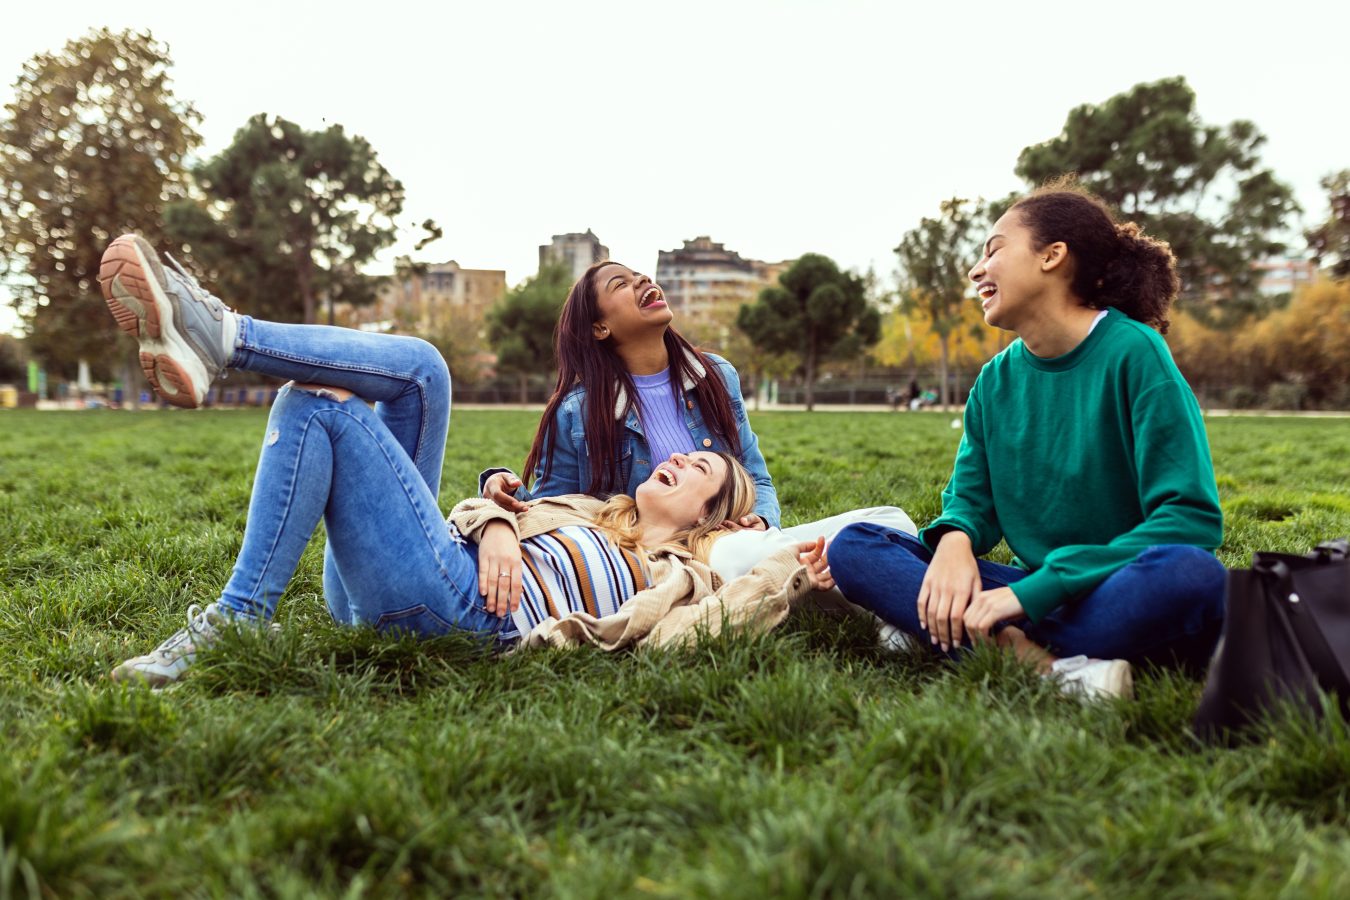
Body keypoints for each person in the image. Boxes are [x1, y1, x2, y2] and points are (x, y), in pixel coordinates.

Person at [96, 235, 833, 686]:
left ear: (710, 507)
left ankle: (238, 610)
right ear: (602, 326)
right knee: (419, 368)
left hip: (458, 608)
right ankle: (221, 335)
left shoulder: (685, 571)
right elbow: (532, 501)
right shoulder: (597, 488)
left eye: (700, 468)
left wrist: (764, 541)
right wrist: (500, 518)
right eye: (619, 279)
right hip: (443, 571)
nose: (678, 461)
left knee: (317, 404)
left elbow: (752, 514)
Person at [828, 180, 1227, 699]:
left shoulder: (1135, 352)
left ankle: (957, 636)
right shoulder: (994, 380)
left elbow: (1189, 519)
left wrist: (1038, 590)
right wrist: (954, 543)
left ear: (1052, 256)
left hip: (1114, 587)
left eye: (994, 249)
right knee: (856, 546)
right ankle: (1050, 669)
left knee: (1190, 573)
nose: (976, 269)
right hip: (1026, 595)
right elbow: (971, 502)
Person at [478, 260, 918, 593]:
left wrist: (760, 519)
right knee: (758, 556)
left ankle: (838, 585)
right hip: (671, 560)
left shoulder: (715, 377)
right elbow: (558, 510)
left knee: (893, 521)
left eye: (640, 276)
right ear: (599, 327)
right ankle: (853, 589)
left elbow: (754, 472)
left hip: (737, 539)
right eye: (622, 284)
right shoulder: (577, 412)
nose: (643, 282)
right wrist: (499, 492)